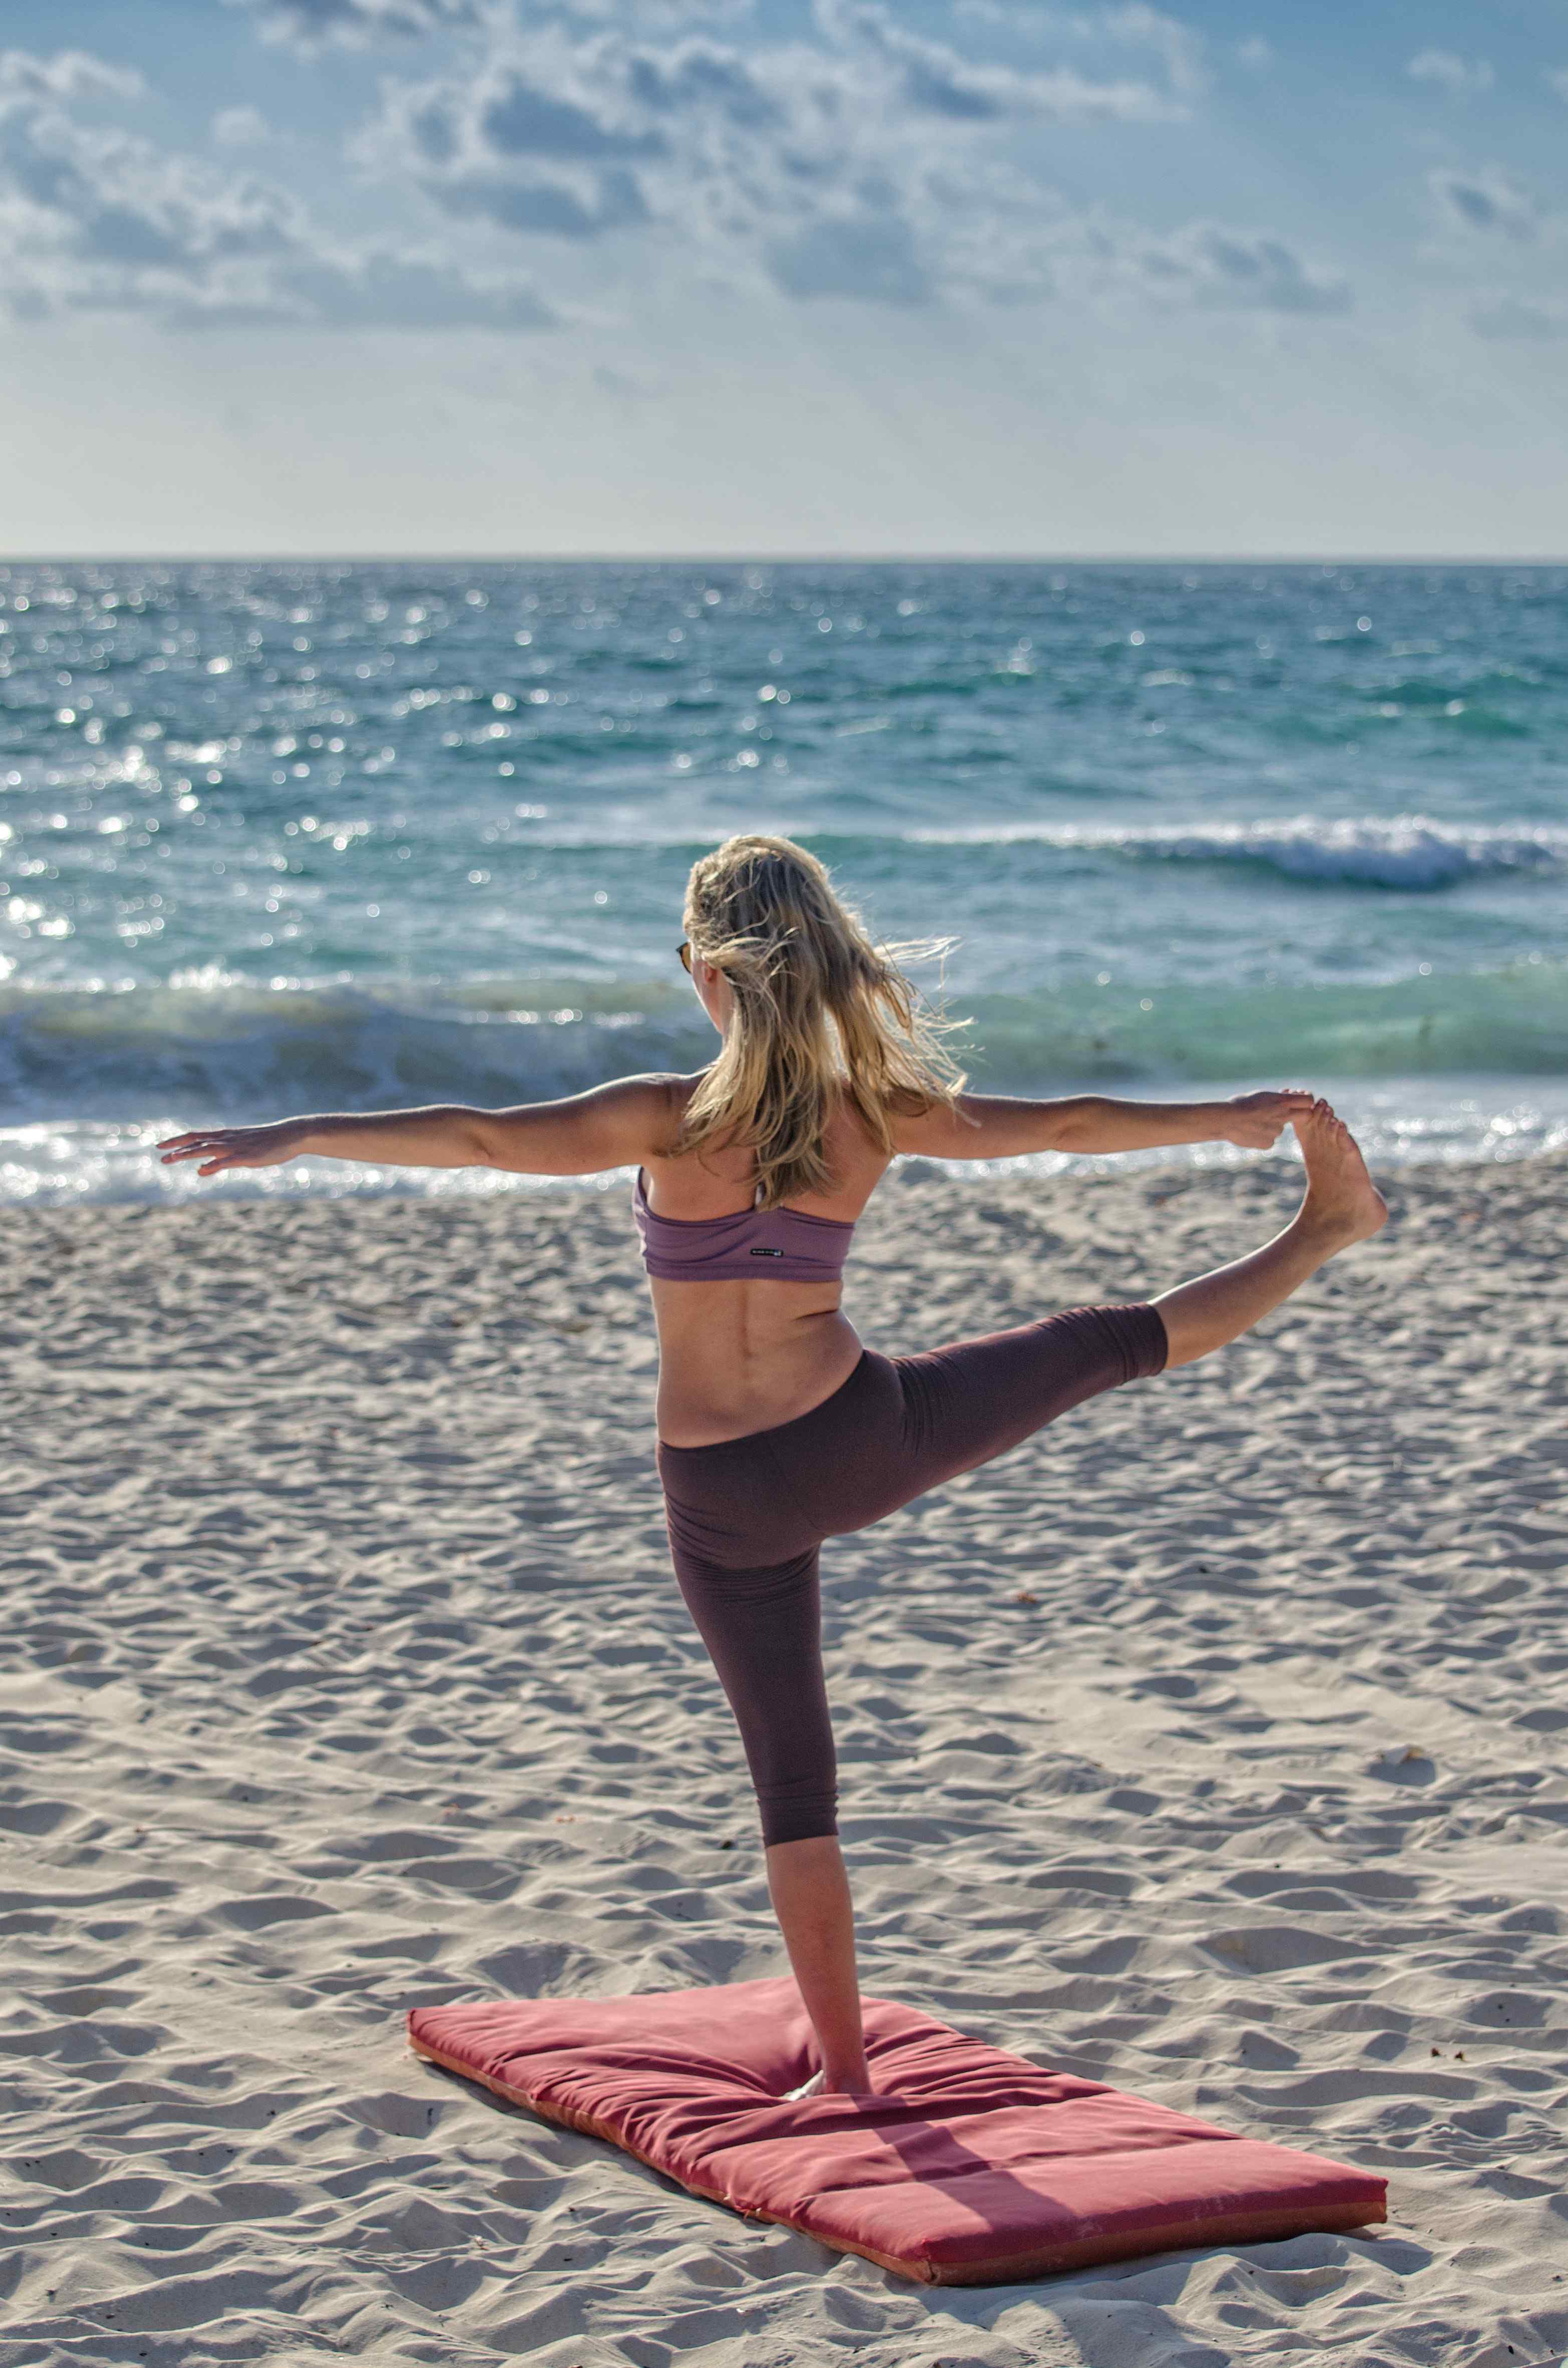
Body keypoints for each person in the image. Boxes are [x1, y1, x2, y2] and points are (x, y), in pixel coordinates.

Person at [158, 833, 1387, 2100]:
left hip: (719, 1497)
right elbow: (1064, 1125)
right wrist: (1222, 1117)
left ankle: (844, 2073)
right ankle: (1322, 1231)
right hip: (860, 1439)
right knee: (1102, 1343)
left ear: (703, 969)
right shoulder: (871, 1115)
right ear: (829, 962)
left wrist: (301, 1131)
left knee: (792, 1786)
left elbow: (476, 1137)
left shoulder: (661, 1117)